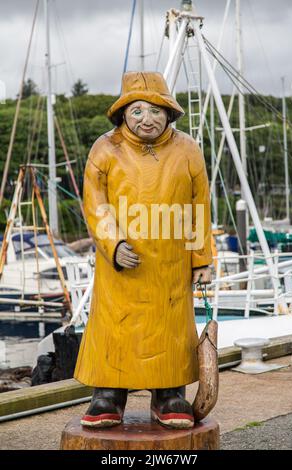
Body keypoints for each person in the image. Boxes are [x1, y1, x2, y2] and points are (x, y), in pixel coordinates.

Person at [74, 71, 212, 429]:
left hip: (170, 263)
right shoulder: (105, 148)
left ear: (169, 113)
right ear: (123, 114)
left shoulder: (188, 149)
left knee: (170, 330)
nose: (146, 119)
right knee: (114, 328)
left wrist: (201, 258)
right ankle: (108, 394)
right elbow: (95, 203)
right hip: (120, 265)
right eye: (137, 111)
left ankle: (169, 394)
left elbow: (199, 204)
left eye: (155, 111)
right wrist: (113, 243)